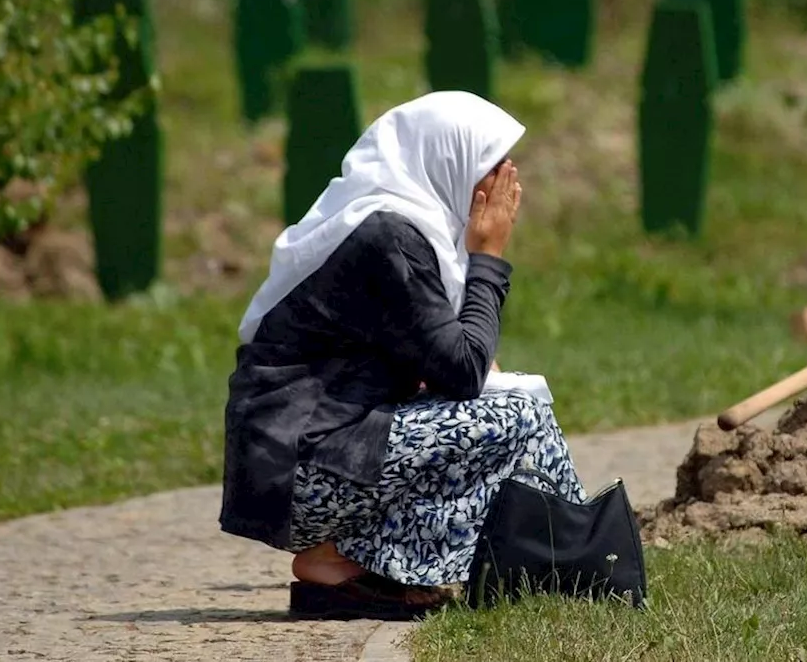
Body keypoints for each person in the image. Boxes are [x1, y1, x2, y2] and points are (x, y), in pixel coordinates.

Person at [219, 90, 586, 620]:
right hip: (300, 475)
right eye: (491, 166)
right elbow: (463, 371)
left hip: (323, 456)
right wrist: (488, 257)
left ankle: (562, 563)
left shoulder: (401, 229)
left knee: (518, 412)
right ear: (446, 162)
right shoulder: (387, 239)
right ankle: (344, 556)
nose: (508, 184)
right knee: (516, 414)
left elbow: (461, 366)